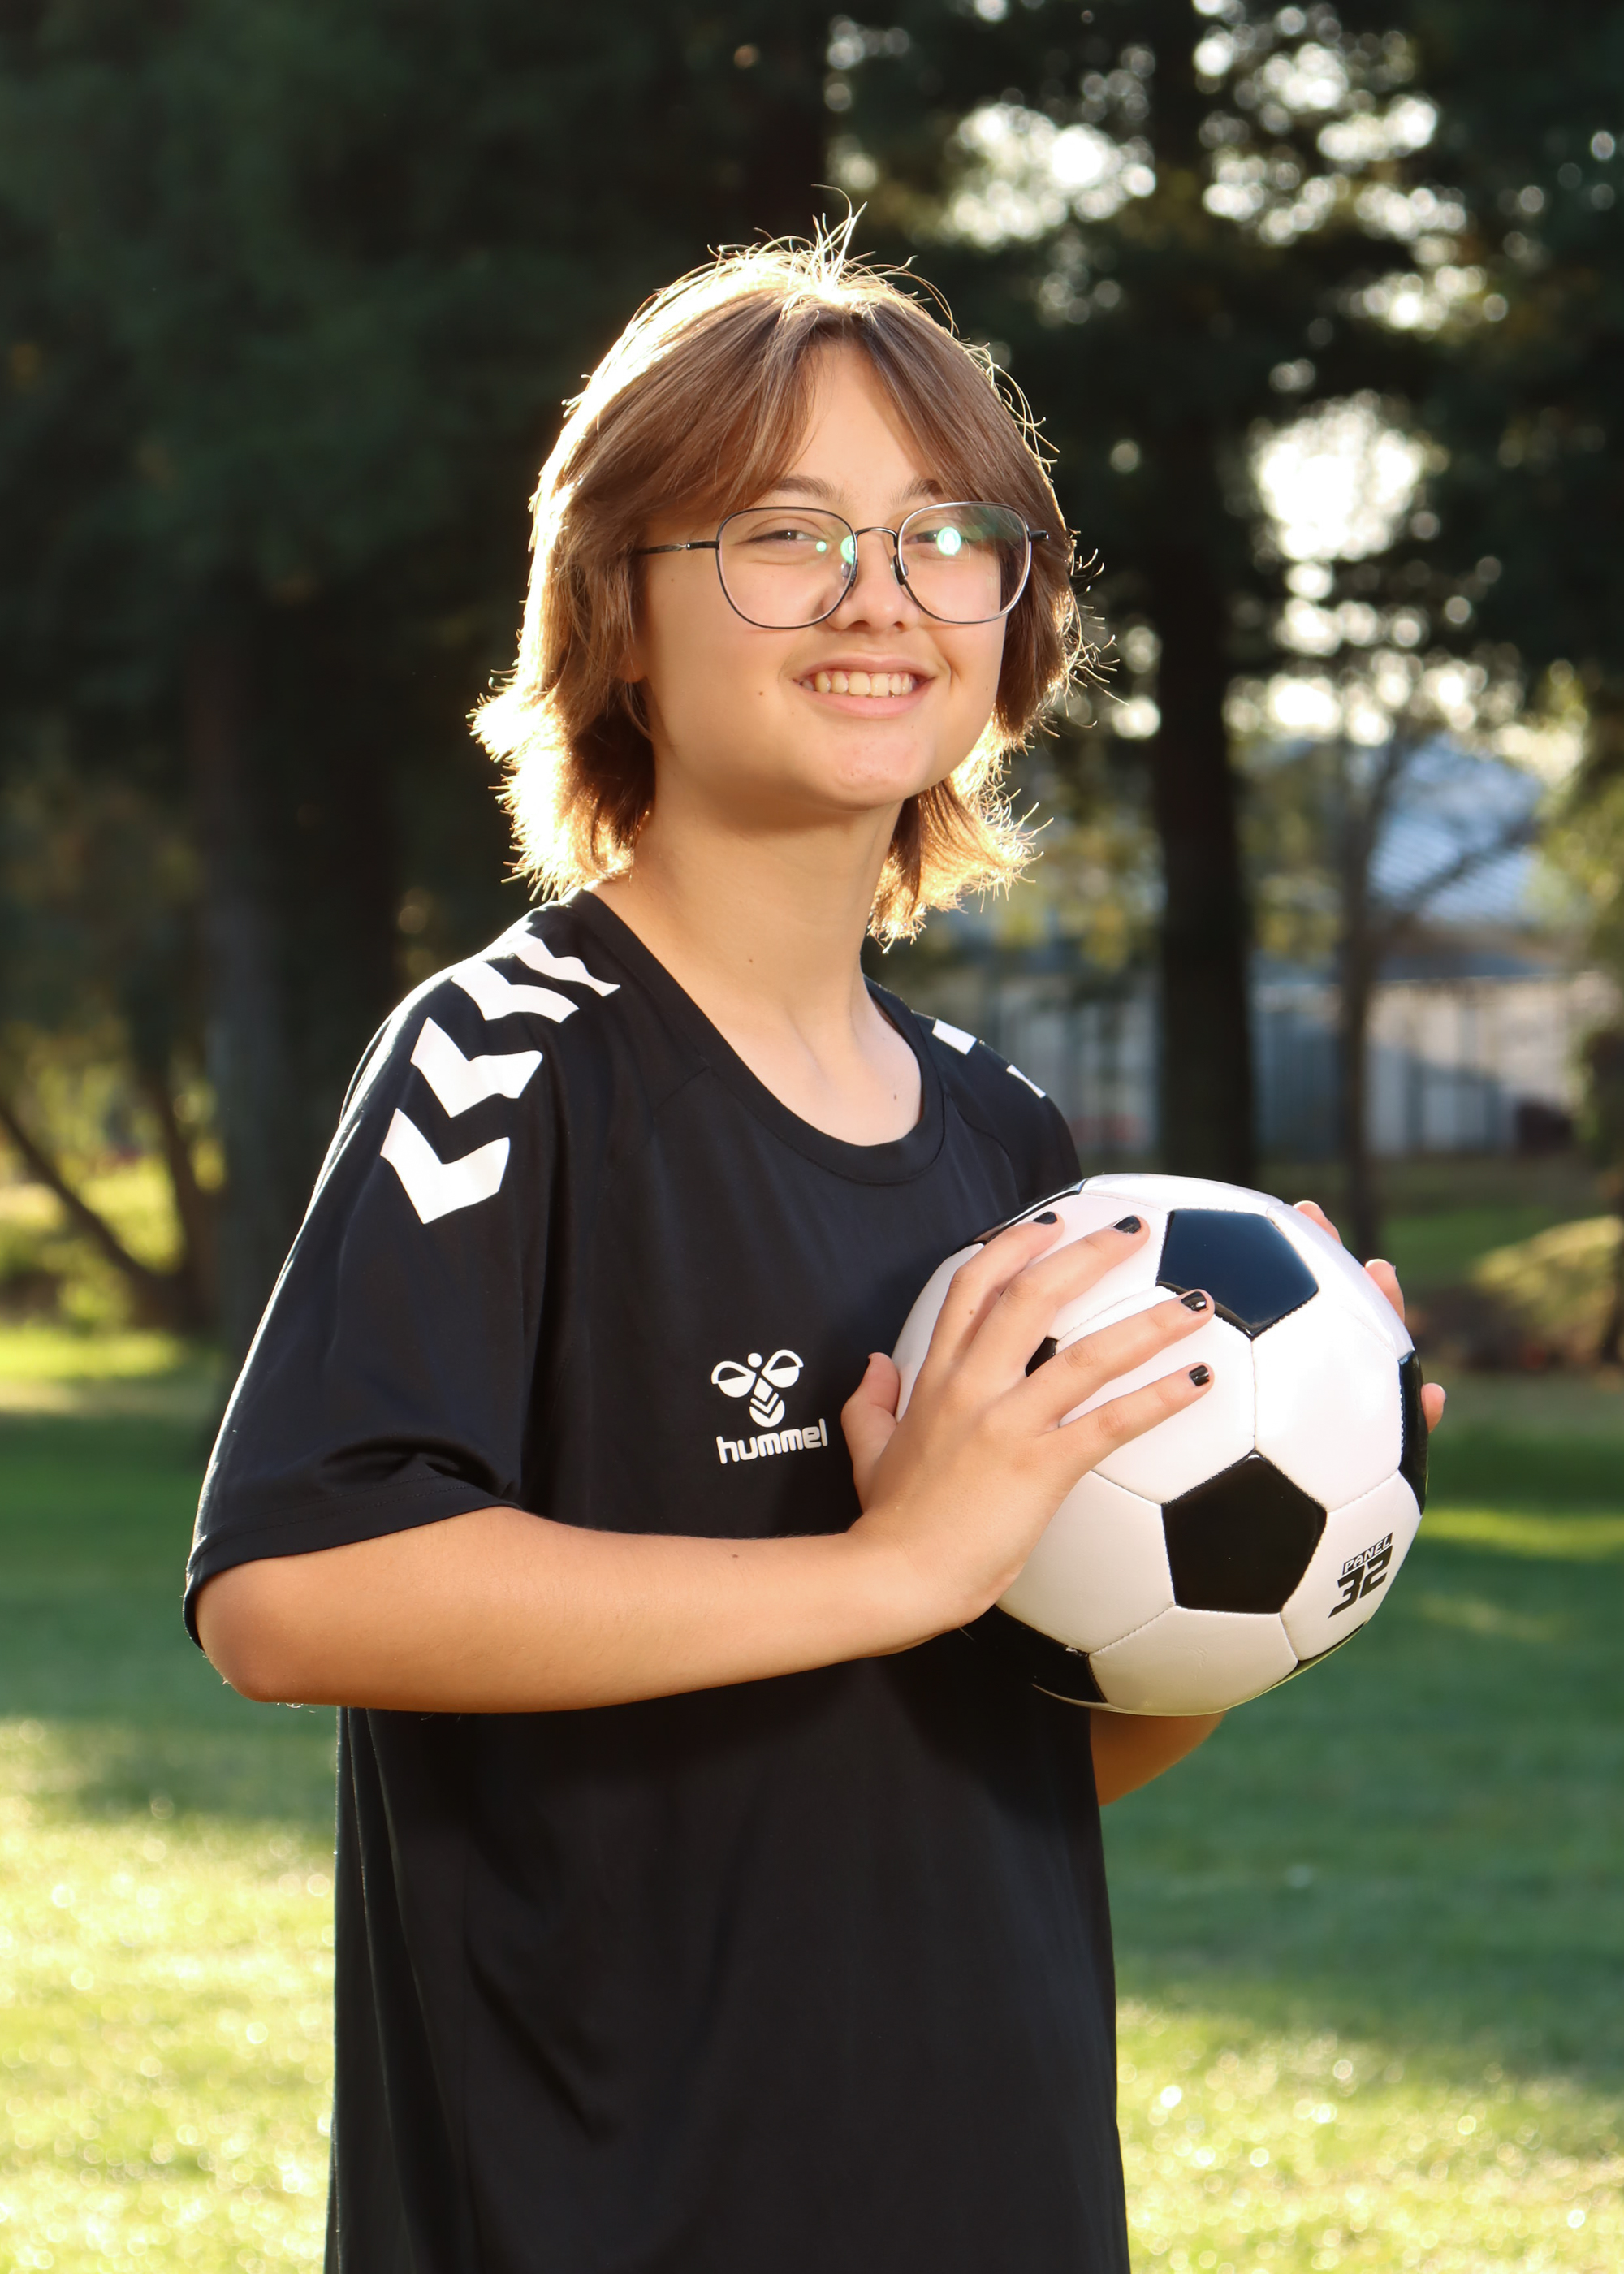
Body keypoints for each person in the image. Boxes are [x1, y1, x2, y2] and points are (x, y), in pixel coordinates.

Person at [187, 237, 1440, 2274]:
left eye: (950, 535)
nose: (880, 594)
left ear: (1013, 618)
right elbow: (292, 1586)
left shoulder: (1010, 1149)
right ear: (616, 610)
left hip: (995, 2195)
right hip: (604, 2208)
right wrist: (886, 1565)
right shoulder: (508, 1062)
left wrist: (1296, 1514)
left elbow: (998, 1765)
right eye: (785, 534)